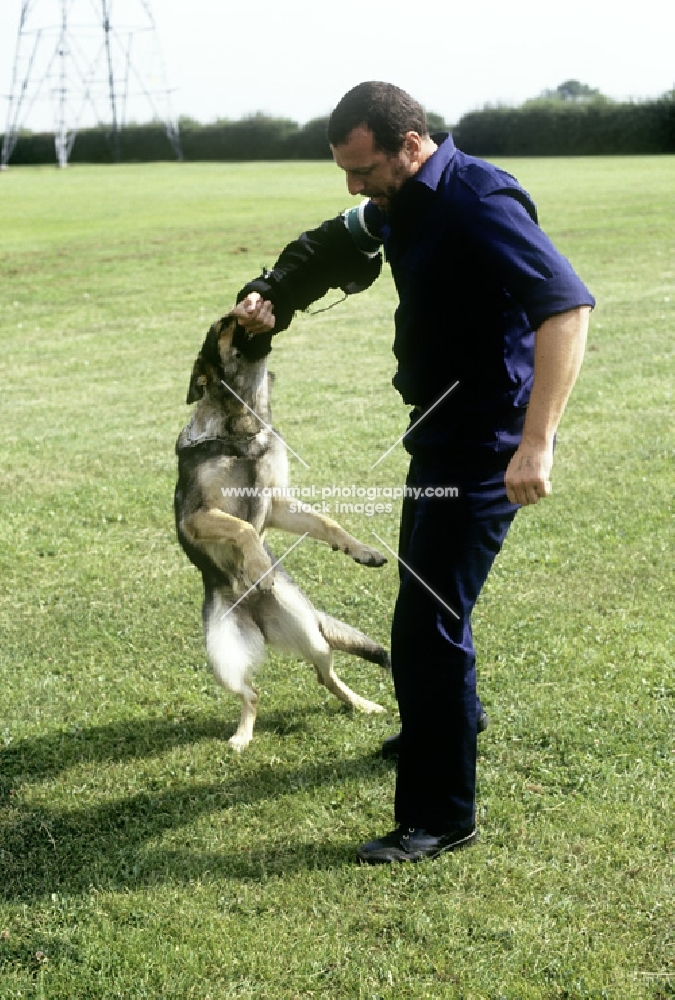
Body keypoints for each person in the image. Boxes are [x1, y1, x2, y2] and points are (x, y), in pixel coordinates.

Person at [231, 81, 594, 864]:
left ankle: (440, 815)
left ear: (411, 144)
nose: (354, 185)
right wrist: (269, 294)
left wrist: (538, 443)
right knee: (428, 604)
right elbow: (332, 243)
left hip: (487, 447)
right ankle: (445, 721)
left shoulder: (475, 198)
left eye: (363, 169)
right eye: (345, 171)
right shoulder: (405, 200)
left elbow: (563, 307)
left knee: (425, 627)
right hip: (438, 438)